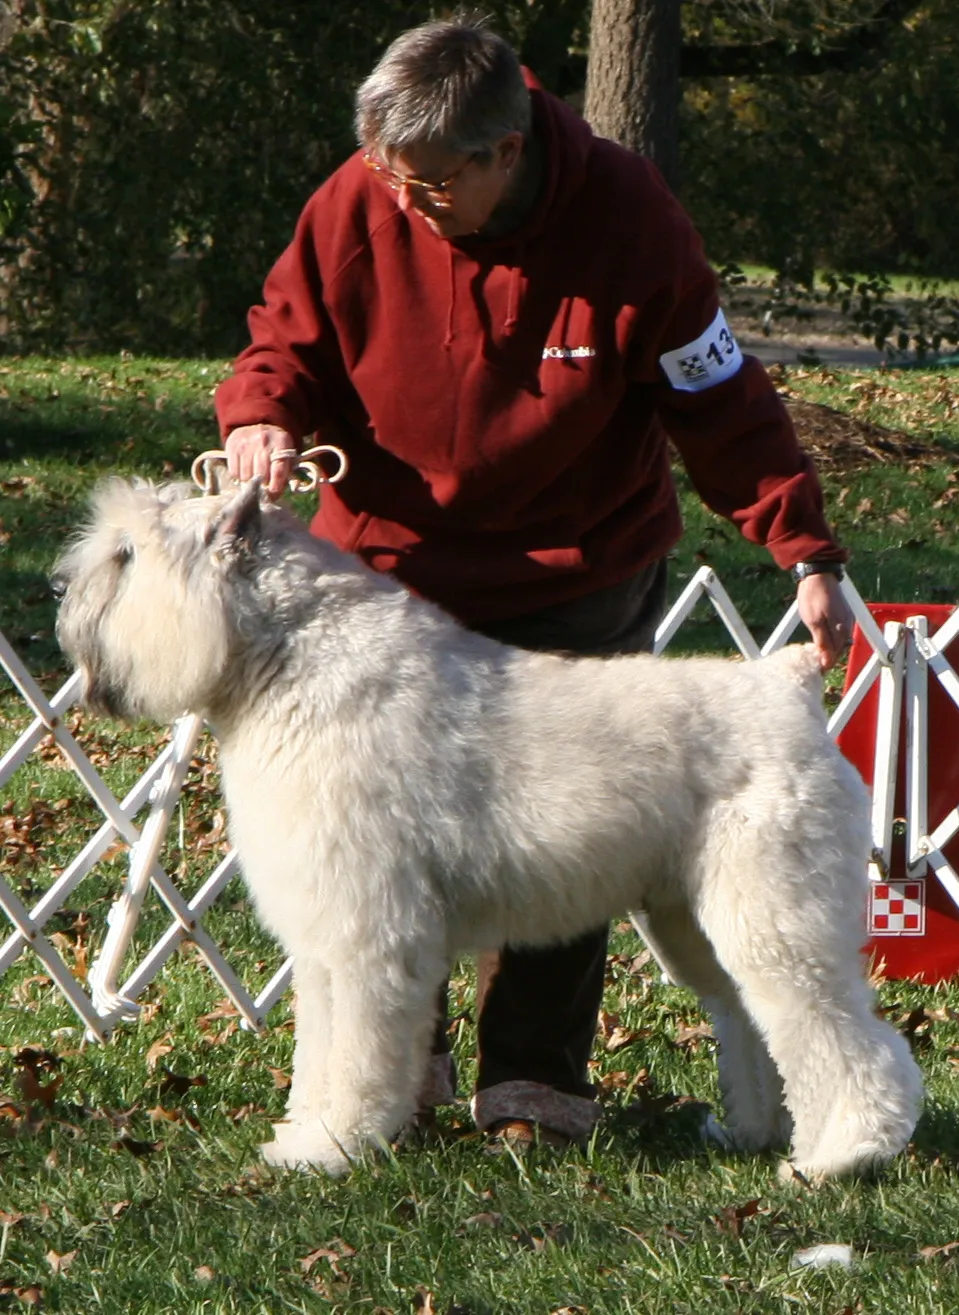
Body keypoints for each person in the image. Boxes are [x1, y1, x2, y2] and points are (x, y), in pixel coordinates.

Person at [213, 19, 854, 1147]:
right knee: (369, 843)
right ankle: (394, 1074)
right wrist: (263, 416)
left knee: (570, 827)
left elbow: (719, 401)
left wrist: (803, 549)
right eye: (387, 173)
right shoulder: (359, 200)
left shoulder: (631, 219)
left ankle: (536, 1083)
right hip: (388, 573)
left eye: (428, 182)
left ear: (504, 151)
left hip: (578, 565)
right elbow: (285, 341)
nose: (404, 199)